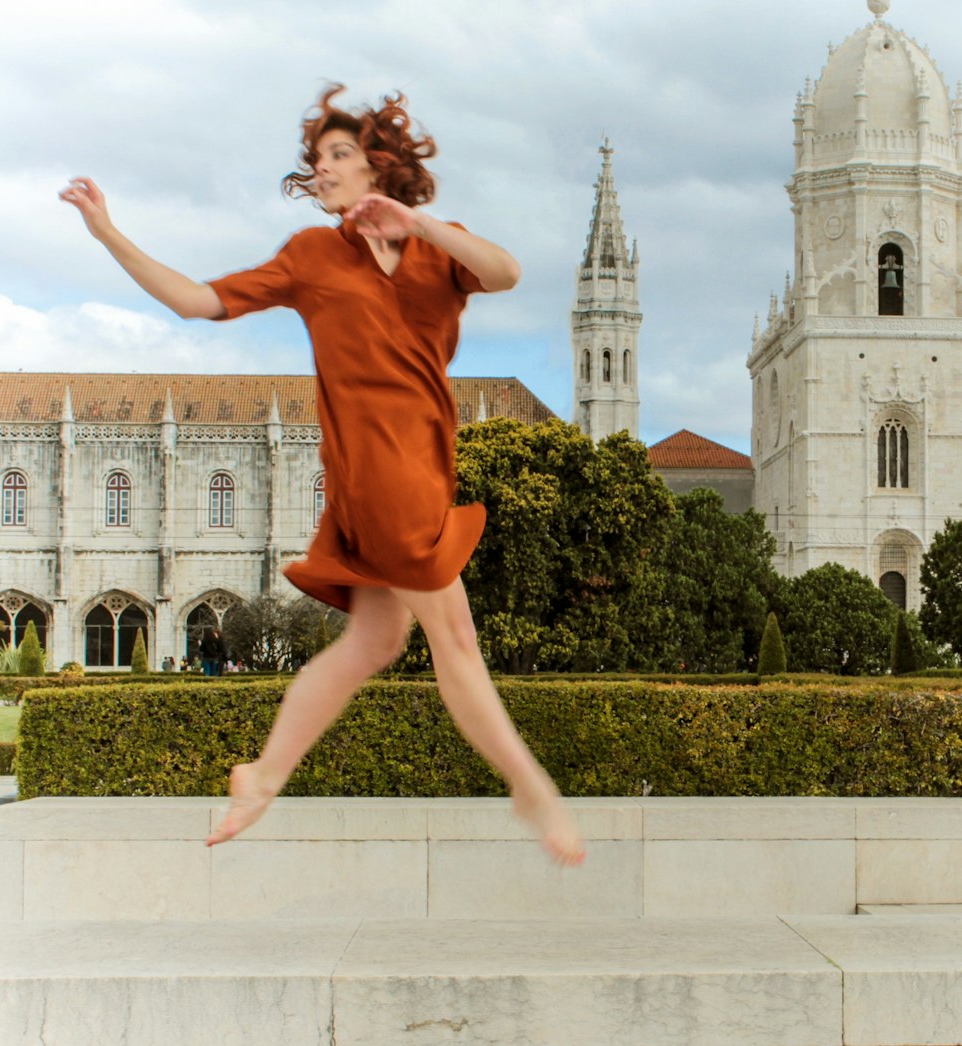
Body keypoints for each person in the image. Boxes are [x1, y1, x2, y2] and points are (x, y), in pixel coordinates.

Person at [60, 84, 584, 866]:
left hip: (421, 463)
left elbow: (505, 272)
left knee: (375, 639)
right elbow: (199, 301)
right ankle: (530, 789)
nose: (324, 168)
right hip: (378, 471)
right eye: (317, 160)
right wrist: (109, 234)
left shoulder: (439, 249)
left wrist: (417, 224)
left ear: (380, 163)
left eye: (340, 153)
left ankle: (264, 774)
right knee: (458, 642)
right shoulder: (311, 259)